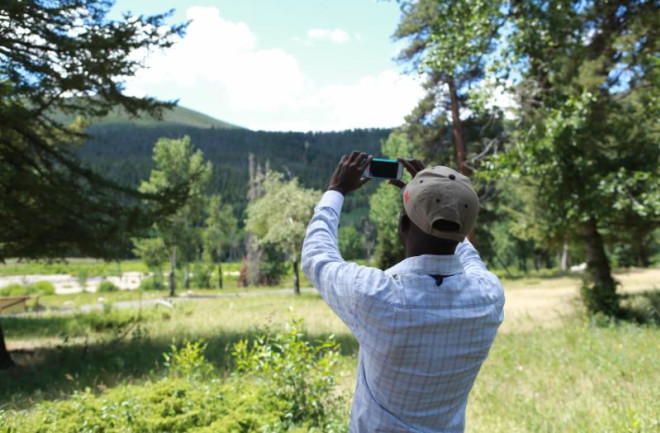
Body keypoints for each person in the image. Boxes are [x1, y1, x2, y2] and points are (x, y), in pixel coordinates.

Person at [301, 151, 505, 432]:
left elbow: (317, 257)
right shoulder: (489, 296)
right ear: (464, 232)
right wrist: (445, 203)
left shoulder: (377, 295)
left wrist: (335, 191)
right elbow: (468, 256)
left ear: (402, 226)